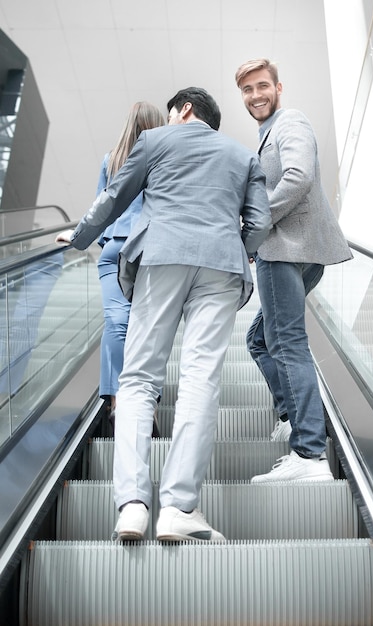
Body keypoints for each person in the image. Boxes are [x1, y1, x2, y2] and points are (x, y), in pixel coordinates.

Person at [56, 87, 271, 542]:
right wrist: (241, 251)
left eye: (172, 111)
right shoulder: (242, 155)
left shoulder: (153, 142)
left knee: (137, 379)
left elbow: (113, 199)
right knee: (200, 380)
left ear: (184, 110)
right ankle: (177, 508)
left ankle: (132, 505)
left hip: (160, 257)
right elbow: (259, 222)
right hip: (221, 265)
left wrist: (78, 238)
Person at [234, 58, 353, 482]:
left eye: (262, 86)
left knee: (285, 342)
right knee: (260, 339)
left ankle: (309, 453)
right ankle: (293, 416)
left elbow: (299, 177)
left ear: (278, 88)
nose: (255, 95)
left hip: (285, 248)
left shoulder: (290, 122)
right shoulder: (268, 134)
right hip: (299, 249)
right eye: (247, 90)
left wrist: (255, 225)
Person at [95, 102, 165, 431]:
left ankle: (118, 400)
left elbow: (100, 208)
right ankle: (145, 404)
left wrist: (103, 242)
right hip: (149, 250)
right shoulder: (163, 160)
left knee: (116, 325)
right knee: (147, 329)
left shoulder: (111, 160)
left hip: (113, 248)